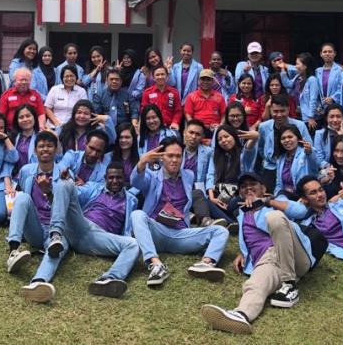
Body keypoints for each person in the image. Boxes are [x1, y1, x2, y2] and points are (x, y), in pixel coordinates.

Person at [200, 171, 328, 335]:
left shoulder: (274, 203)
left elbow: (300, 211)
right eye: (244, 186)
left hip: (294, 254)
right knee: (256, 284)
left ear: (263, 188)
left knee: (274, 217)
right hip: (268, 261)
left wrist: (266, 201)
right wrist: (243, 253)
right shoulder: (242, 213)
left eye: (253, 184)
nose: (248, 188)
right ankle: (241, 314)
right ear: (240, 193)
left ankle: (290, 285)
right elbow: (251, 238)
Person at [26, 162, 140, 301]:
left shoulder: (131, 200)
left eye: (118, 177)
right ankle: (38, 282)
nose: (114, 181)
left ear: (124, 178)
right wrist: (63, 183)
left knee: (133, 244)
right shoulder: (94, 187)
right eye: (111, 177)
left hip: (99, 237)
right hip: (80, 225)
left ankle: (109, 279)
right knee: (65, 183)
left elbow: (131, 226)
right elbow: (70, 193)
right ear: (105, 178)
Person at [130, 136, 230, 287]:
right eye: (170, 155)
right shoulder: (151, 176)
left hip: (181, 234)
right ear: (161, 157)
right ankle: (156, 264)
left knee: (221, 231)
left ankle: (205, 263)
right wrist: (142, 163)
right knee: (137, 215)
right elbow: (136, 182)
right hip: (156, 231)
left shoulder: (188, 175)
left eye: (178, 156)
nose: (175, 160)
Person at [5, 131, 67, 295]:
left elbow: (66, 206)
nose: (45, 149)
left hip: (57, 229)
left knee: (55, 251)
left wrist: (49, 191)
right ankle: (13, 250)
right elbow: (21, 198)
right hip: (35, 227)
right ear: (35, 150)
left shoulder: (64, 174)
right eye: (41, 146)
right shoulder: (26, 171)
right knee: (22, 197)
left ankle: (39, 281)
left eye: (49, 146)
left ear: (56, 150)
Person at [246, 94, 313, 194]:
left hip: (294, 165)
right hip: (271, 166)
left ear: (288, 109)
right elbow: (261, 147)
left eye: (282, 111)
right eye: (275, 111)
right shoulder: (264, 127)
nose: (279, 115)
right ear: (270, 110)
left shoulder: (300, 125)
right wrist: (268, 157)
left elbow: (309, 147)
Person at [204, 125, 249, 225]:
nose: (223, 140)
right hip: (220, 194)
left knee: (235, 205)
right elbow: (210, 175)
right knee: (207, 201)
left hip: (238, 195)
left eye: (226, 136)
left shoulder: (243, 154)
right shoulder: (215, 156)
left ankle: (230, 221)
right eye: (220, 139)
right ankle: (232, 223)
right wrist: (212, 197)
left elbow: (251, 148)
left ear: (234, 136)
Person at [312, 103, 343, 168]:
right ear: (326, 118)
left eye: (338, 116)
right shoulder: (319, 134)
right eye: (331, 117)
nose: (335, 120)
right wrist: (330, 168)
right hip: (328, 169)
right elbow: (319, 160)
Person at [140, 65, 182, 131]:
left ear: (167, 77)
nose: (160, 77)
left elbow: (178, 111)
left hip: (170, 127)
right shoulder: (147, 92)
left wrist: (175, 122)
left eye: (162, 74)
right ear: (153, 78)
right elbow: (143, 110)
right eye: (157, 75)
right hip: (152, 126)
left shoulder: (174, 92)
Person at [292, 53, 320, 131]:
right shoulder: (299, 78)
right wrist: (283, 70)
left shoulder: (312, 80)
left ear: (305, 66)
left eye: (297, 64)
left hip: (310, 119)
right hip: (301, 116)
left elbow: (313, 99)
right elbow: (288, 84)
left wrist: (311, 117)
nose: (295, 66)